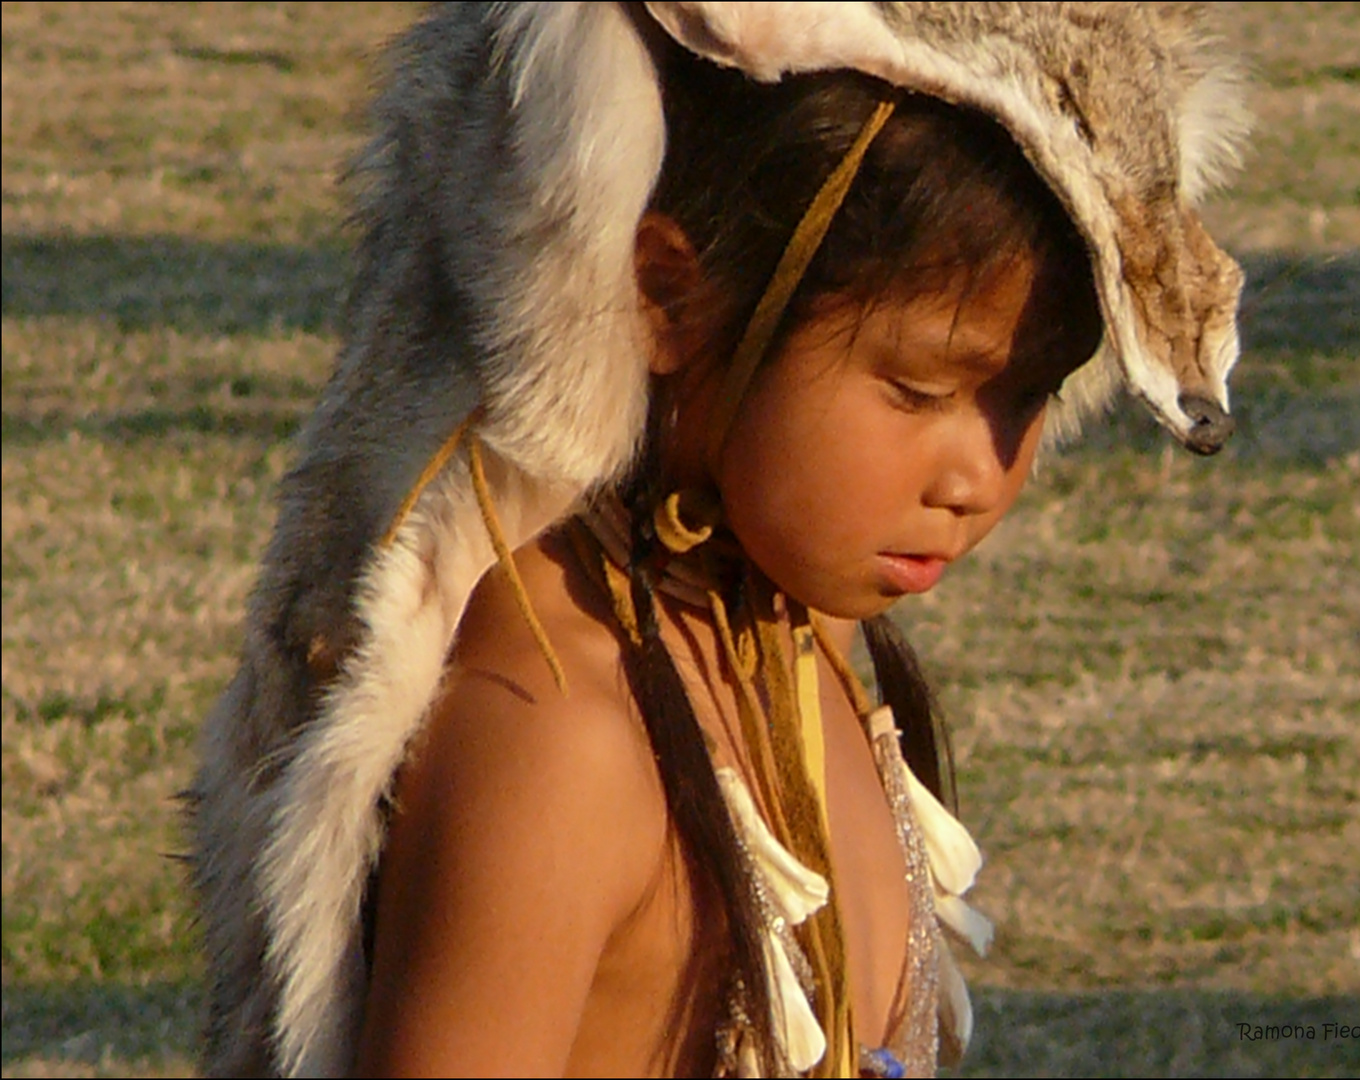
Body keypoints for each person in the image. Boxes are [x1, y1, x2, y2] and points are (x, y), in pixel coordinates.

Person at [188, 5, 1248, 1077]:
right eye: (919, 388)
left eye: (1029, 396)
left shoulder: (796, 638)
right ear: (666, 295)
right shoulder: (558, 735)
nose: (980, 476)